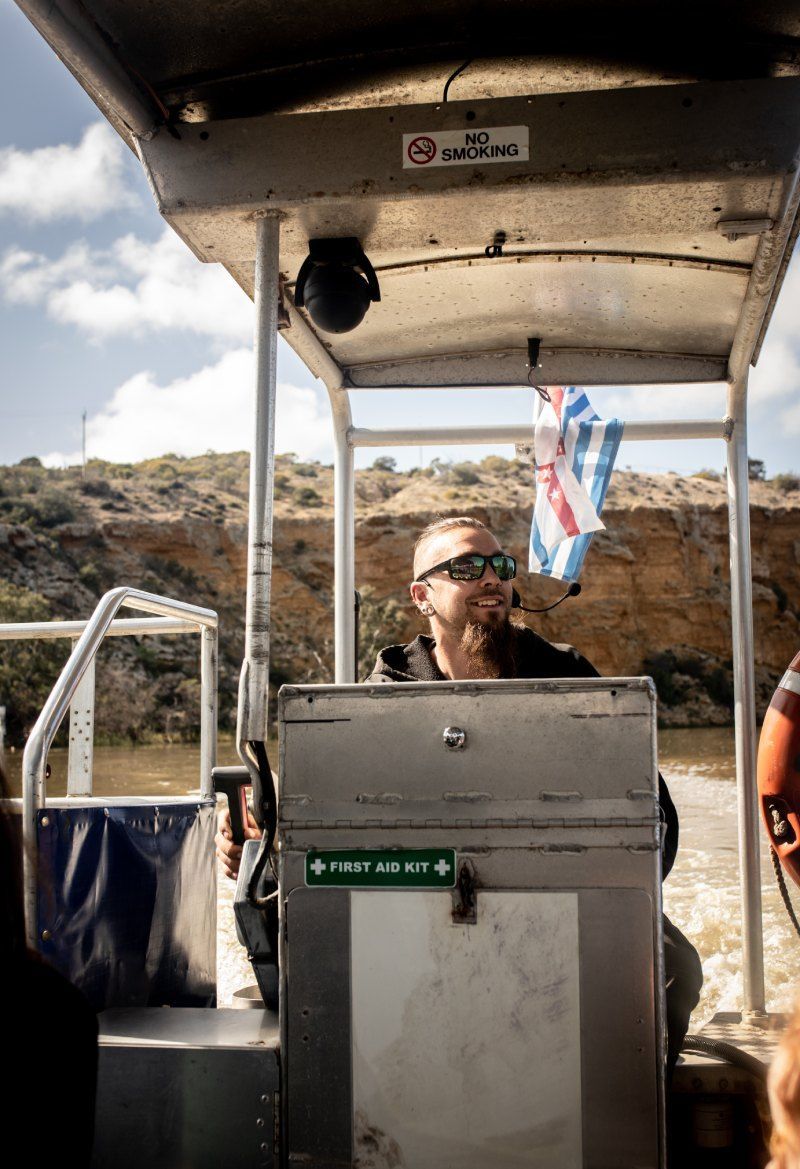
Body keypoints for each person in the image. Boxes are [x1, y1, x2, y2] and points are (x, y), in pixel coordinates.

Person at [216, 513, 702, 1071]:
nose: (491, 578)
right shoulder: (379, 701)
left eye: (500, 566)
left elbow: (652, 814)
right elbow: (323, 832)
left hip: (563, 892)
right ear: (422, 595)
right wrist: (259, 843)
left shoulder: (568, 676)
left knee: (670, 968)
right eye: (468, 568)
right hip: (416, 906)